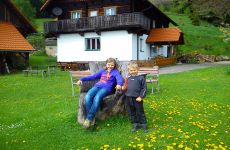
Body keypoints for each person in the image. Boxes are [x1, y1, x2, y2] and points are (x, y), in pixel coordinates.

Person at [77, 58, 123, 129]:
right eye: (109, 64)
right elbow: (93, 76)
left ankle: (89, 119)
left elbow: (119, 79)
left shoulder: (115, 72)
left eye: (112, 65)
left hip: (106, 88)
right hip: (97, 86)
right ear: (106, 64)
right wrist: (81, 79)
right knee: (87, 97)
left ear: (114, 65)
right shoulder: (103, 71)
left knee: (97, 98)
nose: (110, 66)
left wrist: (119, 84)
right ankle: (92, 120)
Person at [122, 61, 148, 132]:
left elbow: (144, 88)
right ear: (129, 71)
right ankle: (135, 124)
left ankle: (144, 124)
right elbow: (125, 87)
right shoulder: (128, 79)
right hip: (129, 98)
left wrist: (141, 97)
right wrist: (123, 88)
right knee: (132, 112)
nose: (133, 71)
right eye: (131, 70)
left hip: (137, 99)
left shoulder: (141, 78)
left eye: (134, 70)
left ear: (137, 69)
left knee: (140, 112)